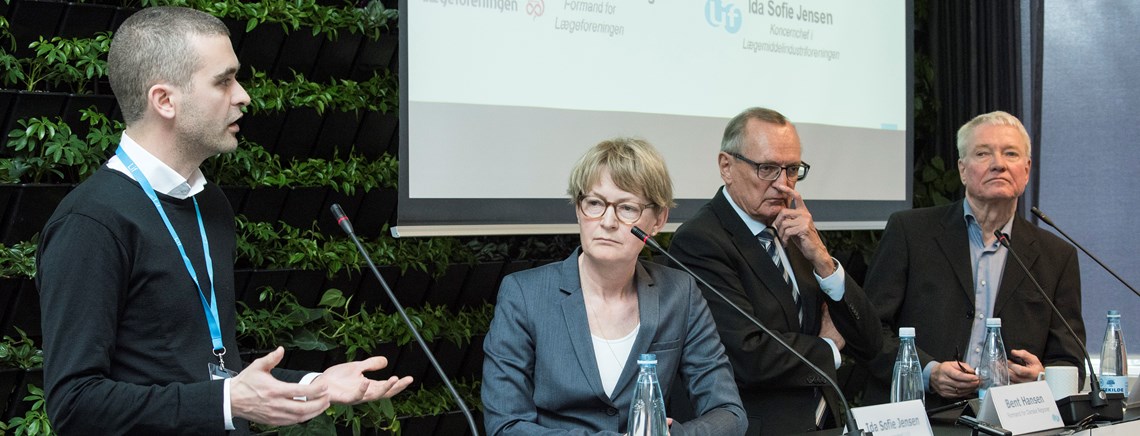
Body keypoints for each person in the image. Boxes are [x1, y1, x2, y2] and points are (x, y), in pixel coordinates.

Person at [35, 7, 412, 434]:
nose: (243, 95)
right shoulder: (91, 222)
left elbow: (208, 371)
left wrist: (314, 383)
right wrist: (228, 401)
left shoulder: (210, 204)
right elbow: (74, 405)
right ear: (164, 100)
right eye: (224, 80)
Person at [481, 138, 747, 435]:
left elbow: (729, 413)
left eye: (627, 208)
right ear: (578, 209)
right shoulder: (525, 295)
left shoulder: (679, 293)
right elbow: (505, 425)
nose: (607, 221)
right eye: (594, 203)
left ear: (659, 219)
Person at [668, 107, 882, 435]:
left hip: (825, 423)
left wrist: (824, 260)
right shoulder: (700, 240)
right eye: (767, 168)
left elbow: (869, 341)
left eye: (792, 169)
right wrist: (827, 346)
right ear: (726, 166)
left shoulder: (797, 230)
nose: (783, 185)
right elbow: (747, 356)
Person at [861, 111, 1086, 408]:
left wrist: (1042, 376)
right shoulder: (910, 232)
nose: (999, 164)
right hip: (920, 414)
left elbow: (1070, 361)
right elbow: (869, 331)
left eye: (1011, 154)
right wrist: (928, 372)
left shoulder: (1057, 256)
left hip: (1010, 418)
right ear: (963, 170)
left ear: (1027, 169)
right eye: (983, 153)